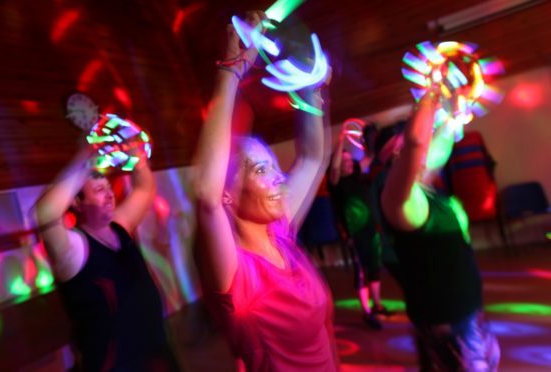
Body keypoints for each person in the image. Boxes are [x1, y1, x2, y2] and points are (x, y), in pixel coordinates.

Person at [193, 12, 338, 372]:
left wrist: (312, 90)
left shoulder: (280, 233)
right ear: (229, 194)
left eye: (274, 166)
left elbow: (313, 157)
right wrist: (231, 70)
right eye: (260, 170)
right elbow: (205, 195)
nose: (279, 178)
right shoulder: (238, 276)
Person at [378, 90, 500, 371]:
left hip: (467, 313)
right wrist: (432, 90)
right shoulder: (400, 200)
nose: (428, 149)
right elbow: (417, 143)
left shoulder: (425, 191)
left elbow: (440, 141)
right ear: (395, 160)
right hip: (450, 324)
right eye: (401, 153)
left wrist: (456, 109)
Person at [35, 145, 178, 371]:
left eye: (109, 188)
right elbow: (45, 214)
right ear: (77, 202)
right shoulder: (74, 247)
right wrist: (86, 154)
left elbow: (144, 189)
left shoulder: (119, 225)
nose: (110, 195)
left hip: (156, 355)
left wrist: (137, 156)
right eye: (100, 190)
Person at [327, 126, 391, 330]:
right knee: (361, 271)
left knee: (374, 266)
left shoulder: (359, 177)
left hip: (371, 230)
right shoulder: (336, 183)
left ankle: (378, 305)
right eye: (343, 160)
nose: (347, 162)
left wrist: (369, 139)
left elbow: (371, 157)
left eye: (348, 159)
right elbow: (335, 168)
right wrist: (341, 140)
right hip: (353, 235)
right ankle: (367, 312)